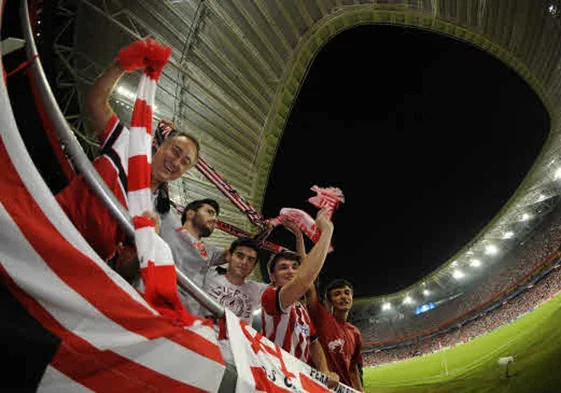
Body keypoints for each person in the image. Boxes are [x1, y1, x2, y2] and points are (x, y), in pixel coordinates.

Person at [56, 39, 199, 264]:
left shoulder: (153, 214)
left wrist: (146, 244)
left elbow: (124, 268)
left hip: (80, 268)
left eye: (185, 162)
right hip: (53, 226)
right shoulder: (127, 143)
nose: (177, 161)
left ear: (183, 173)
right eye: (176, 151)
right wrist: (121, 65)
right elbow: (95, 101)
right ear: (160, 146)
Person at [261, 209, 339, 388]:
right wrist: (326, 232)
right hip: (276, 380)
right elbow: (304, 278)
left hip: (298, 382)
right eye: (283, 268)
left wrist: (324, 369)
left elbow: (314, 342)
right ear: (272, 276)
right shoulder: (270, 296)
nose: (290, 271)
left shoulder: (301, 309)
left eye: (294, 267)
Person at [160, 198, 226, 312]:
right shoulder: (169, 222)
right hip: (156, 303)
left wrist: (264, 234)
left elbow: (239, 250)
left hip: (185, 315)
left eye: (216, 217)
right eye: (209, 212)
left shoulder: (209, 252)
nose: (214, 219)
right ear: (190, 214)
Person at [307, 279, 364, 391]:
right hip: (322, 388)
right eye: (337, 294)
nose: (343, 296)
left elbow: (353, 368)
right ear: (329, 301)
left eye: (347, 293)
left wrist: (360, 390)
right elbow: (309, 289)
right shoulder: (321, 319)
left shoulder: (355, 332)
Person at [197, 237, 267, 324]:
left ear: (253, 266)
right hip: (201, 332)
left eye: (250, 259)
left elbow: (285, 287)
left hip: (235, 336)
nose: (244, 262)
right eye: (240, 256)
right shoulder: (208, 274)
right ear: (229, 256)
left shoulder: (257, 290)